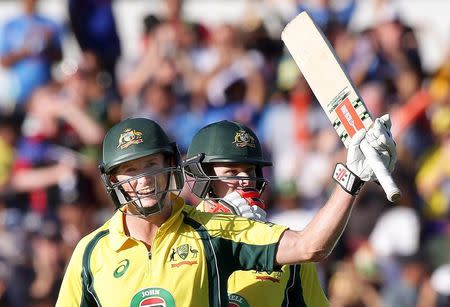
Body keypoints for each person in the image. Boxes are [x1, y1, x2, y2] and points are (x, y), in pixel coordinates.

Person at [56, 114, 396, 306]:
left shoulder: (214, 232)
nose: (144, 180)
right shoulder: (91, 252)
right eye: (131, 171)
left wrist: (351, 179)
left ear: (171, 166)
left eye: (151, 165)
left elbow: (311, 245)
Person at [183, 120, 330, 306]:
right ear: (204, 179)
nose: (245, 181)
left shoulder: (286, 243)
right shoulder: (179, 236)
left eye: (250, 171)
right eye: (232, 172)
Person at [0, 0, 62, 110]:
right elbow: (4, 62)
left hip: (46, 91)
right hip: (20, 94)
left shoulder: (50, 24)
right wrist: (26, 50)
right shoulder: (10, 26)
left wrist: (48, 45)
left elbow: (60, 57)